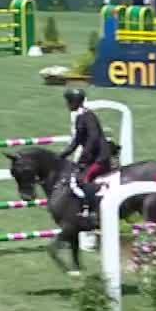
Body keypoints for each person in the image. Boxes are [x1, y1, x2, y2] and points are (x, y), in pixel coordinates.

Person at [57, 88, 114, 228]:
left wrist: (83, 157)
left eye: (68, 102)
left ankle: (92, 212)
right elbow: (77, 140)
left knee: (84, 179)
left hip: (100, 157)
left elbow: (93, 139)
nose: (67, 105)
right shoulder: (79, 117)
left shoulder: (88, 116)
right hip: (92, 157)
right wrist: (62, 155)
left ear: (74, 102)